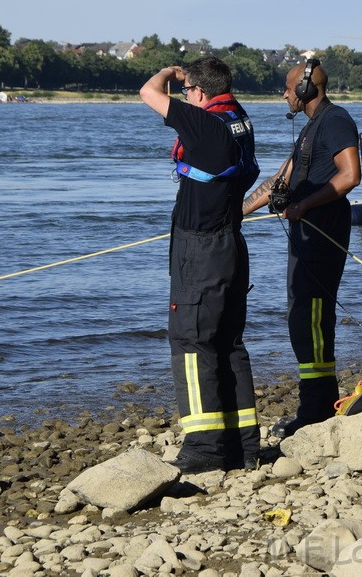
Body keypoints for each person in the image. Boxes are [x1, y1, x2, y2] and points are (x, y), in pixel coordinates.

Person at [139, 56, 261, 474]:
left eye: (188, 89)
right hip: (230, 241)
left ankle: (206, 447)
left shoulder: (206, 124)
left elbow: (147, 93)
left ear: (199, 92)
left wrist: (169, 74)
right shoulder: (238, 119)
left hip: (202, 248)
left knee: (191, 342)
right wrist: (188, 79)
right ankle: (244, 444)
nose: (184, 95)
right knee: (228, 342)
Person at [242, 59, 361, 438]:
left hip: (323, 232)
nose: (284, 93)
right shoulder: (311, 127)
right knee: (300, 317)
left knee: (311, 318)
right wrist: (237, 211)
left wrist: (306, 205)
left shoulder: (336, 120)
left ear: (307, 89)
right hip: (305, 234)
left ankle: (316, 409)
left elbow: (350, 176)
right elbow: (282, 177)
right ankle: (317, 403)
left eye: (288, 87)